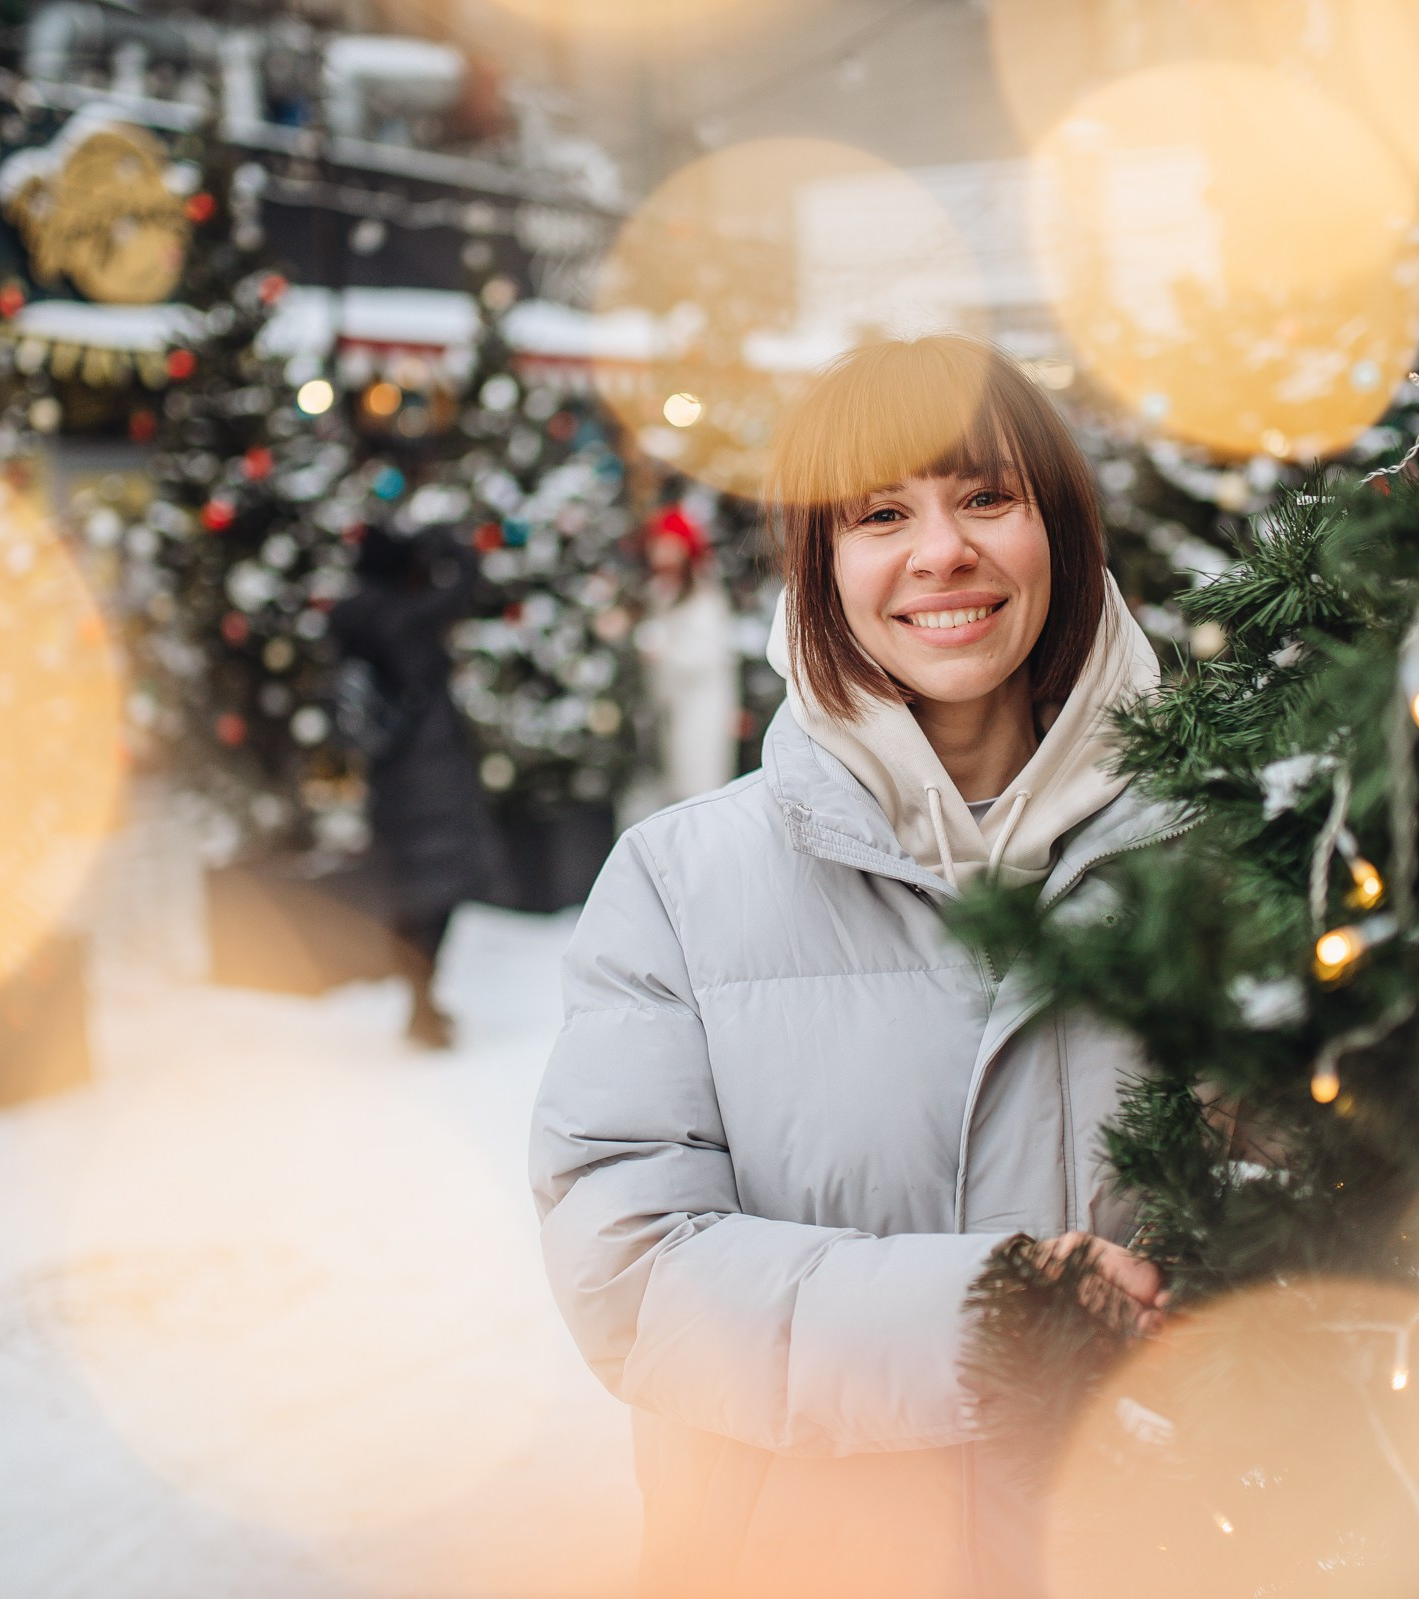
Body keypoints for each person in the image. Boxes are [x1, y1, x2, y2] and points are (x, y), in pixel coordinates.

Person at [530, 336, 1184, 1597]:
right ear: (820, 566)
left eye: (986, 497)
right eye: (881, 514)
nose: (941, 552)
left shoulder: (1222, 853)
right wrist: (999, 1314)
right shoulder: (681, 884)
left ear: (1059, 530)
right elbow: (631, 1271)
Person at [329, 523, 505, 1049]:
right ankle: (423, 1007)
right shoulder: (406, 617)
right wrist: (448, 544)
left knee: (409, 896)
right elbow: (466, 582)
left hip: (389, 781)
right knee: (436, 896)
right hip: (431, 777)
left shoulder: (351, 618)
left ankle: (419, 1002)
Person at [635, 489, 739, 808]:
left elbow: (709, 655)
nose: (661, 553)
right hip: (669, 707)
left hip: (701, 709)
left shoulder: (704, 597)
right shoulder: (660, 592)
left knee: (699, 786)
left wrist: (665, 652)